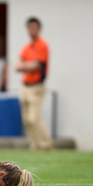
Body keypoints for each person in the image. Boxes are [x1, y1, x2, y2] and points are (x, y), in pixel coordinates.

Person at [15, 17, 53, 151]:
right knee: (26, 120)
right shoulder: (27, 47)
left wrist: (26, 65)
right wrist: (27, 65)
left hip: (36, 86)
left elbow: (36, 65)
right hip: (25, 86)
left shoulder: (42, 45)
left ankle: (45, 144)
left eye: (35, 27)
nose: (32, 30)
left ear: (39, 29)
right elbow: (17, 66)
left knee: (34, 118)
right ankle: (34, 145)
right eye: (30, 27)